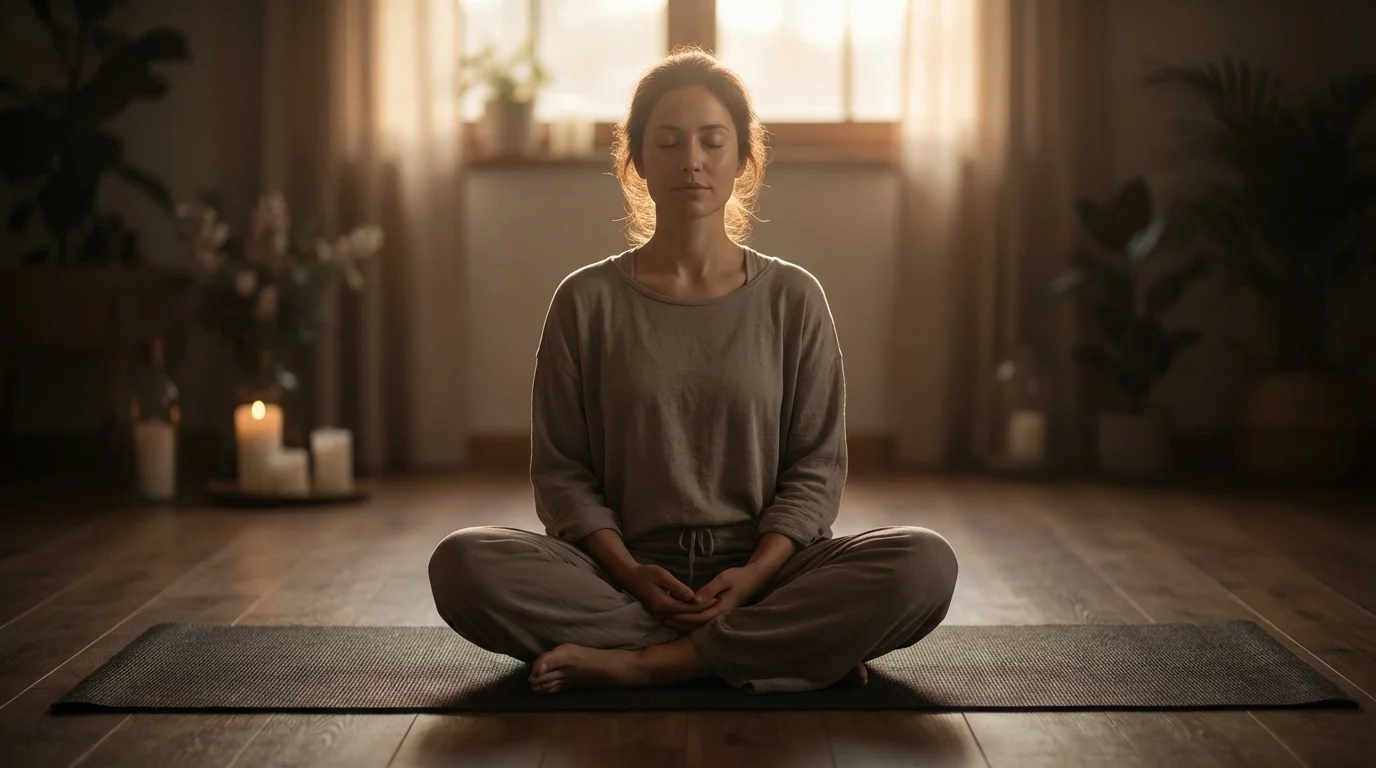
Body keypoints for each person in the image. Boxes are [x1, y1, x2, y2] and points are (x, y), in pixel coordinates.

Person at [428, 48, 958, 695]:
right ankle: (775, 647)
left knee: (924, 563)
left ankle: (651, 662)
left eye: (712, 140)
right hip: (621, 574)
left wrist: (754, 577)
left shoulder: (793, 297)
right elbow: (562, 474)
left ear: (743, 159)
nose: (692, 160)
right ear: (637, 161)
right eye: (669, 142)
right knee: (463, 563)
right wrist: (630, 573)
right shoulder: (585, 300)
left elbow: (817, 469)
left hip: (769, 572)